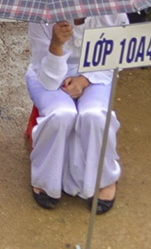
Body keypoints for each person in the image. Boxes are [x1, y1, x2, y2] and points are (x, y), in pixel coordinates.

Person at [27, 16, 123, 212]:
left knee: (95, 115)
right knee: (61, 114)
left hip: (98, 73)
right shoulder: (41, 17)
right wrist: (56, 45)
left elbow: (117, 56)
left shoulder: (112, 10)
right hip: (46, 75)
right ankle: (46, 178)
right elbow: (46, 78)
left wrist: (85, 79)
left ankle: (105, 178)